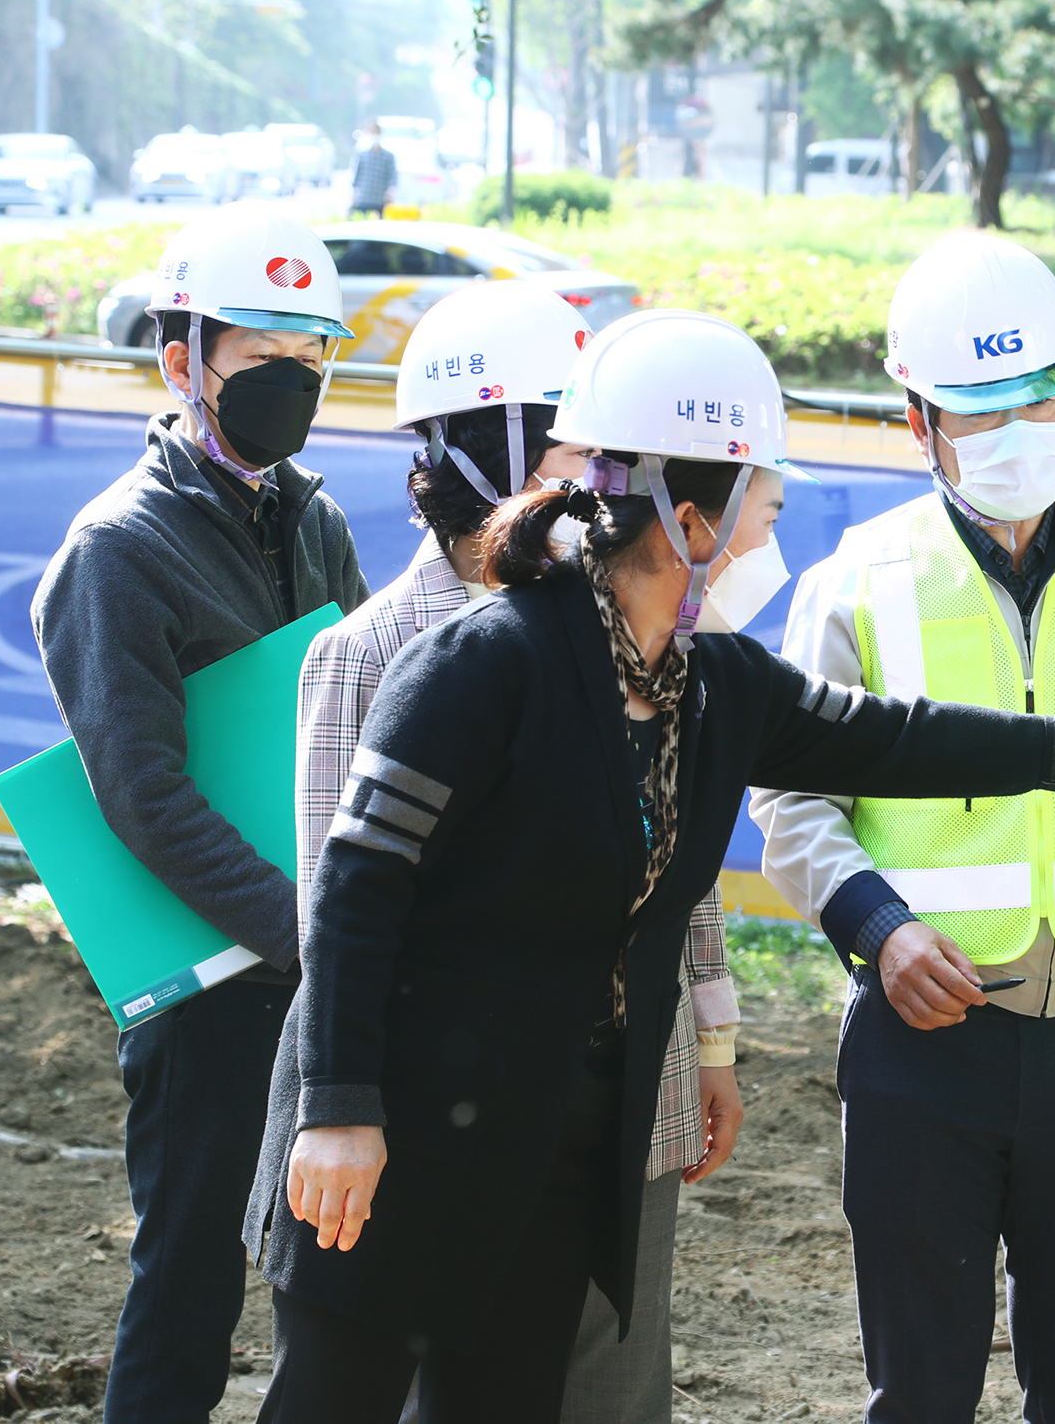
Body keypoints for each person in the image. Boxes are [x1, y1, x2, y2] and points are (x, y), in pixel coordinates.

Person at [244, 308, 1055, 1424]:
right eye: (763, 503)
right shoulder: (483, 662)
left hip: (551, 1136)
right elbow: (352, 894)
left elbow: (906, 737)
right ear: (689, 519)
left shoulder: (711, 683)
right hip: (398, 1134)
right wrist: (337, 1108)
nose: (773, 526)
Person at [749, 230, 1055, 1424]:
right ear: (918, 421)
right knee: (918, 1390)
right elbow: (791, 794)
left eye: (1041, 397)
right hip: (923, 1043)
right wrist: (878, 928)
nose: (1019, 430)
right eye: (981, 412)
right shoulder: (859, 579)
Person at [272, 280, 744, 1424]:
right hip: (431, 1117)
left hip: (622, 1094)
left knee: (606, 1383)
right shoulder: (375, 650)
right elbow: (340, 916)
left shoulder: (659, 632)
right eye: (568, 447)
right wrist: (349, 1108)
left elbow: (683, 860)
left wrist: (715, 1036)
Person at [29, 202, 366, 1423]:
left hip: (322, 973)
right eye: (262, 358)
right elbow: (141, 796)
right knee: (187, 1281)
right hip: (214, 989)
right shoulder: (115, 550)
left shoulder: (314, 518)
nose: (292, 384)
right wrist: (312, 934)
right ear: (182, 358)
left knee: (337, 1281)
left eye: (310, 358)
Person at [351, 121, 396, 217]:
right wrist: (354, 194)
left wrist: (390, 191)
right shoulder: (362, 155)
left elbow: (393, 176)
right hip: (364, 197)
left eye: (376, 133)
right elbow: (356, 175)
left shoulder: (388, 156)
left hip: (380, 198)